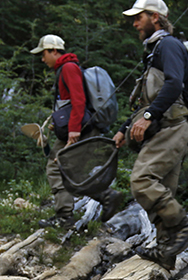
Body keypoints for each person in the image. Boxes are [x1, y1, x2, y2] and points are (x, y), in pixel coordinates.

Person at [113, 0, 188, 269]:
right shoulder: (153, 50)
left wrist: (149, 116)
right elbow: (146, 99)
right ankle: (165, 256)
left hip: (172, 127)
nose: (135, 23)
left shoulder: (169, 45)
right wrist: (124, 128)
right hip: (168, 126)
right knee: (165, 191)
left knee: (142, 181)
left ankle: (184, 227)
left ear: (155, 17)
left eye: (139, 17)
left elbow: (173, 85)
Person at [29, 34, 122, 228]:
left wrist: (73, 131)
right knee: (70, 172)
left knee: (57, 168)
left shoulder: (69, 68)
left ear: (54, 51)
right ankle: (103, 198)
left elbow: (79, 100)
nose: (42, 58)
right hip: (80, 127)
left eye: (44, 53)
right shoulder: (67, 68)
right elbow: (70, 104)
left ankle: (67, 216)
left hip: (80, 129)